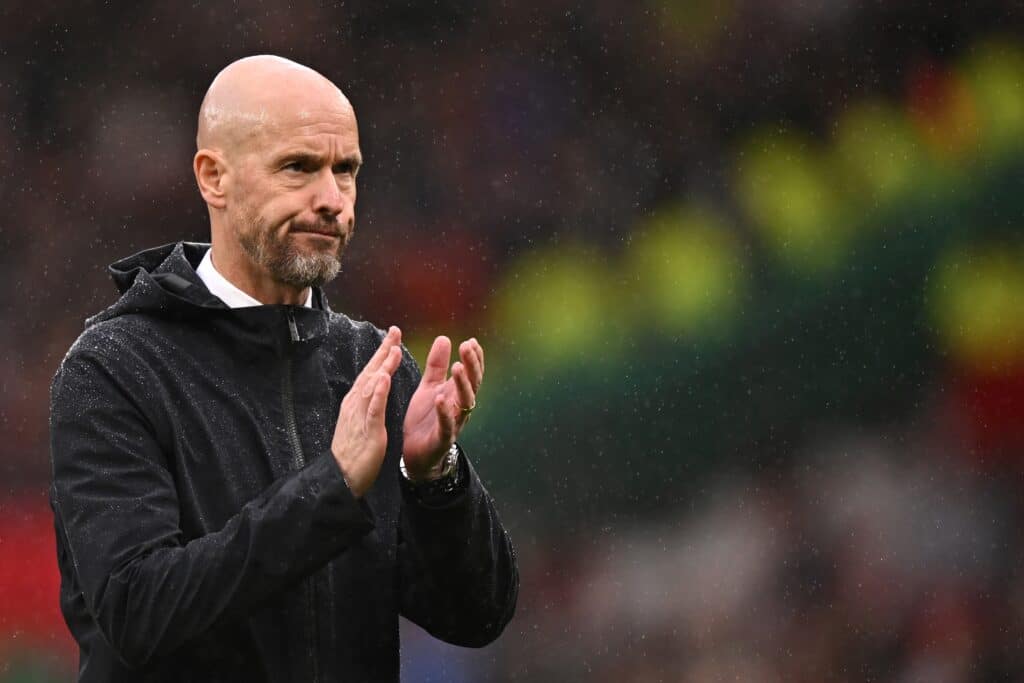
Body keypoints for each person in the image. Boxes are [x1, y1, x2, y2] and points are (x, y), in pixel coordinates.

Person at [48, 55, 518, 683]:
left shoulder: (372, 367)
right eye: (298, 167)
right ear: (215, 178)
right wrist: (332, 488)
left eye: (345, 171)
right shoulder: (112, 371)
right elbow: (139, 612)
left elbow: (476, 616)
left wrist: (437, 481)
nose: (331, 200)